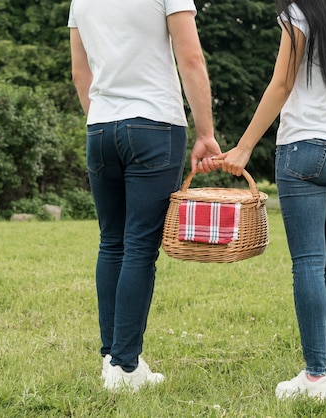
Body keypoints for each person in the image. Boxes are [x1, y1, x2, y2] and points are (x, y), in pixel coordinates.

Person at [217, 0, 326, 401]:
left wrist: (244, 148)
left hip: (304, 150)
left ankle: (315, 380)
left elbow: (282, 84)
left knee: (311, 262)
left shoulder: (300, 13)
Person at [68, 0, 221, 392]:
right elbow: (191, 57)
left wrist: (99, 115)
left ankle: (113, 358)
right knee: (138, 247)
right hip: (154, 126)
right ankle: (125, 366)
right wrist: (205, 133)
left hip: (100, 129)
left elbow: (80, 72)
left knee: (112, 243)